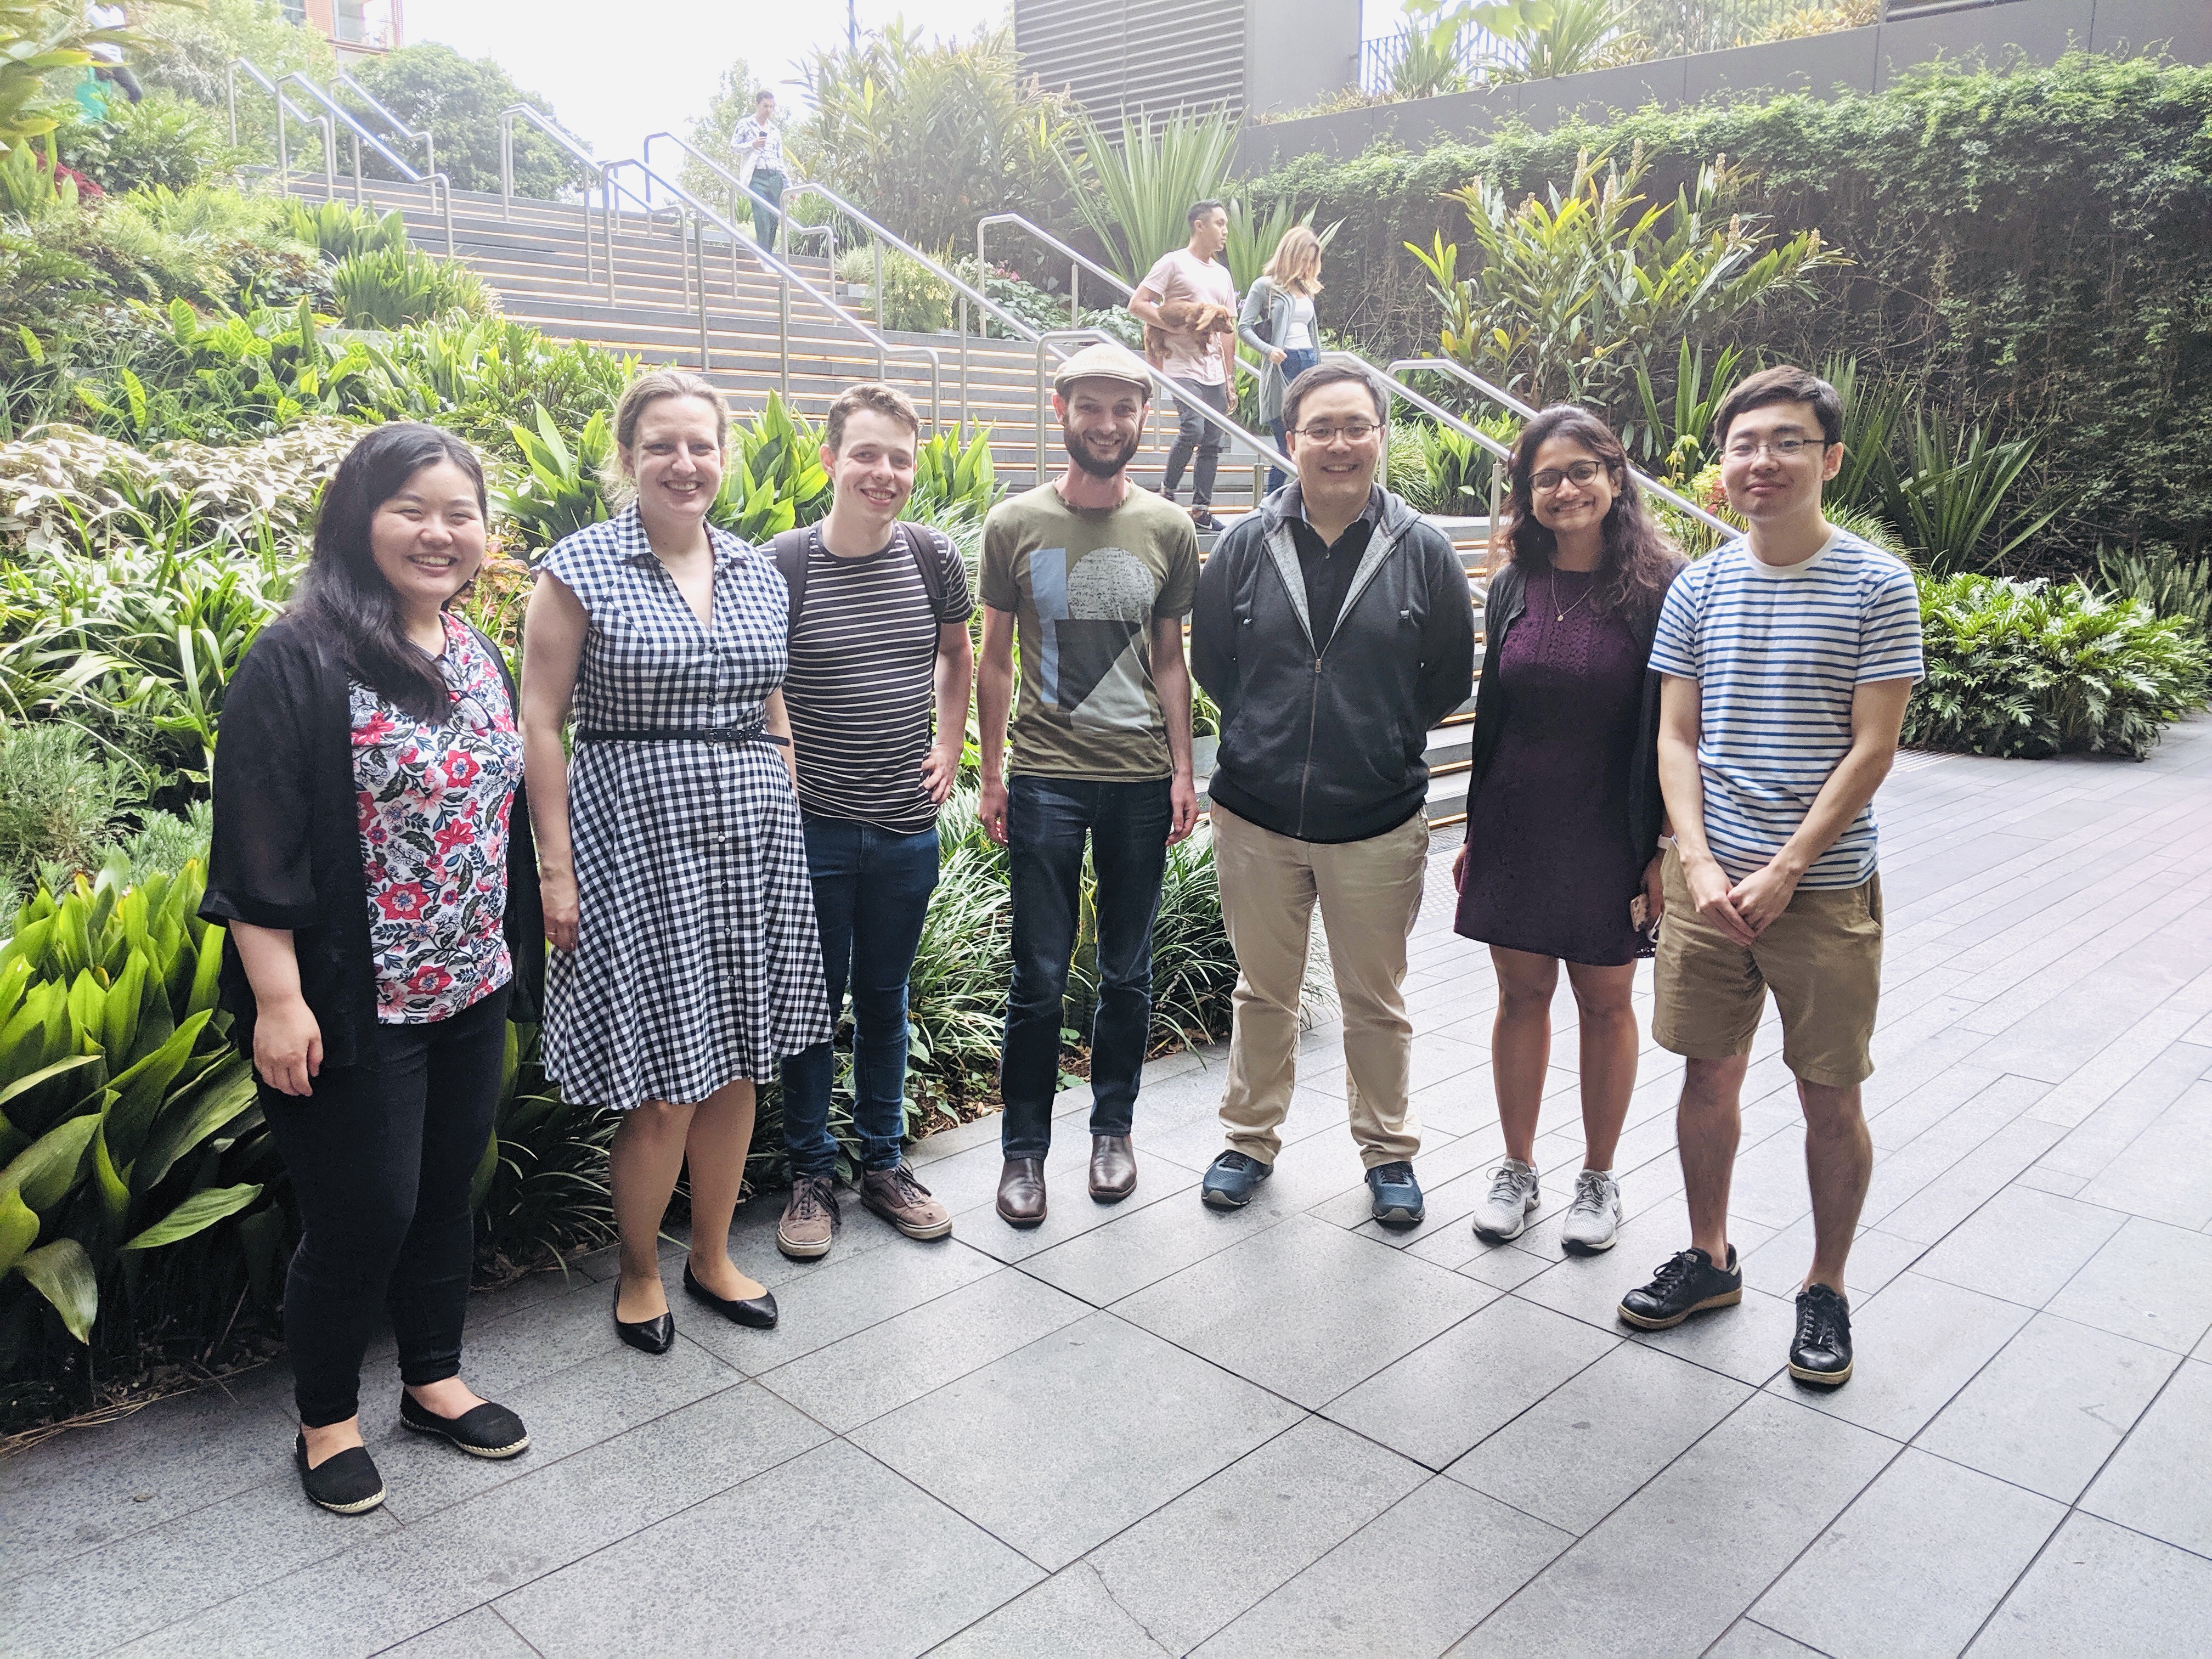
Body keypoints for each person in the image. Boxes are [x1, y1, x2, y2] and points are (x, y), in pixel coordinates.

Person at [204, 424, 543, 1516]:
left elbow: (501, 817)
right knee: (364, 1213)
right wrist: (278, 999)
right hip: (355, 1001)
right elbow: (255, 850)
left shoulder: (472, 649)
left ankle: (434, 1380)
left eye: (460, 513)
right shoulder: (298, 656)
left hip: (467, 983)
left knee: (444, 1194)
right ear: (358, 519)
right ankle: (325, 1419)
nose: (439, 533)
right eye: (412, 509)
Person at [1617, 365, 1923, 1391]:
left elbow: (1873, 747)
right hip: (1708, 886)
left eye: (1787, 442)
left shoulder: (1878, 583)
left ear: (1828, 459)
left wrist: (1789, 864)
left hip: (1824, 887)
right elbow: (1673, 734)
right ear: (1723, 462)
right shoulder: (1699, 586)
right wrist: (1695, 858)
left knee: (1826, 1091)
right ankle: (1709, 1256)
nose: (1762, 460)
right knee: (1705, 1073)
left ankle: (1825, 1284)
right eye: (1745, 443)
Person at [521, 369, 830, 1357]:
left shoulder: (751, 567)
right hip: (635, 838)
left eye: (701, 444)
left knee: (739, 1057)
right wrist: (555, 868)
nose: (683, 462)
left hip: (752, 839)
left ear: (724, 456)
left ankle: (711, 1254)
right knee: (662, 1076)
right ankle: (641, 1268)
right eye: (661, 444)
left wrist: (781, 773)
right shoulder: (579, 565)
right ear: (628, 457)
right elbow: (539, 720)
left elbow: (771, 694)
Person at [1189, 362, 1475, 1227]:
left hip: (1377, 817)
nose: (1339, 444)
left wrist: (1374, 739)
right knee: (1262, 990)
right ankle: (1247, 1141)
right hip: (1258, 814)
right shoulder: (1244, 544)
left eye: (1357, 426)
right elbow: (1214, 668)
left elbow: (1447, 679)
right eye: (1321, 428)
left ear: (1381, 436)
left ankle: (1389, 1154)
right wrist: (1269, 738)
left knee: (1375, 1001)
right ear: (1291, 441)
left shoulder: (1422, 549)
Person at [977, 341, 1201, 1227]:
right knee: (1035, 973)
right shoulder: (1013, 522)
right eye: (1091, 407)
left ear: (1142, 418)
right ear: (1060, 407)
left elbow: (1172, 661)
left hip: (1140, 779)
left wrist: (1185, 768)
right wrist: (990, 773)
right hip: (1044, 778)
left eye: (1123, 409)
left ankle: (1113, 1129)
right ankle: (1022, 1152)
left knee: (1126, 969)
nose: (1106, 424)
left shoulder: (1169, 529)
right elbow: (993, 662)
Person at [1451, 408, 1684, 1255]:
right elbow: (1495, 716)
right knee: (1519, 997)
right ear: (1527, 495)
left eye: (1583, 470)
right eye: (1545, 477)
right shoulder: (1516, 582)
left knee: (1606, 1001)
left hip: (1609, 827)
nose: (1565, 488)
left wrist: (1660, 849)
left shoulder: (1664, 587)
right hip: (1517, 819)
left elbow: (1676, 731)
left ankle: (1599, 1176)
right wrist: (1476, 830)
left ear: (1617, 479)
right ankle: (1517, 1168)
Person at [769, 383, 975, 1259]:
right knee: (810, 1007)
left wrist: (952, 741)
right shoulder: (780, 563)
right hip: (812, 826)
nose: (882, 473)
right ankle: (811, 1171)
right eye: (865, 454)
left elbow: (959, 656)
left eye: (898, 456)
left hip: (903, 828)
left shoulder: (933, 557)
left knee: (886, 1002)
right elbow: (759, 676)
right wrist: (780, 754)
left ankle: (884, 1163)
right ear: (829, 460)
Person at [1129, 200, 1239, 533]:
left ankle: (1201, 509)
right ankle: (1167, 492)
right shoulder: (1173, 263)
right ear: (1199, 225)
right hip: (1180, 366)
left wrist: (1230, 377)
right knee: (1193, 429)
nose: (1225, 232)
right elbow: (1137, 304)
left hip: (1214, 371)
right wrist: (1174, 328)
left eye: (1226, 226)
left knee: (1213, 440)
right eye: (1220, 224)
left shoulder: (1222, 274)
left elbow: (1228, 330)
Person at [1238, 224, 1325, 496]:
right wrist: (1268, 350)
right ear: (1289, 253)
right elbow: (1244, 327)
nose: (1306, 265)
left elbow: (1311, 332)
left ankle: (1302, 501)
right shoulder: (1266, 287)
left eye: (1311, 261)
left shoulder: (1306, 289)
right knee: (1286, 442)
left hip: (1308, 361)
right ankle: (1270, 504)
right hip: (1282, 364)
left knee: (1308, 438)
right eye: (1303, 259)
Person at [733, 88, 786, 250]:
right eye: (765, 106)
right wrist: (752, 145)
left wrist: (788, 184)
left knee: (773, 218)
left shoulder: (775, 130)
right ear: (757, 105)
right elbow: (734, 146)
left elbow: (780, 158)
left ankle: (767, 255)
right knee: (761, 215)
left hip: (775, 176)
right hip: (757, 175)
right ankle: (763, 255)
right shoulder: (745, 124)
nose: (769, 110)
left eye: (771, 107)